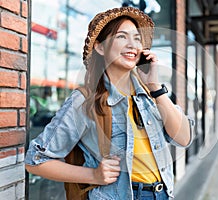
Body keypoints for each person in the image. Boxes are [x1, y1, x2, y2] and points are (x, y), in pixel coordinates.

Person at [25, 7, 194, 200]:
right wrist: (94, 175)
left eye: (137, 39)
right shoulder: (85, 101)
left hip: (163, 194)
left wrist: (155, 88)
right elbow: (35, 160)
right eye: (122, 37)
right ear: (100, 47)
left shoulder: (151, 95)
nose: (132, 45)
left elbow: (184, 138)